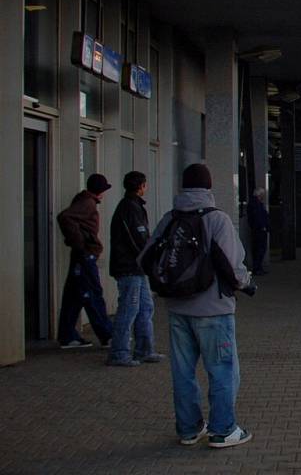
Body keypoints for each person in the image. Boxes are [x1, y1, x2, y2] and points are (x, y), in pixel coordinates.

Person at [140, 163, 253, 448]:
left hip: (178, 309)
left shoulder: (169, 219)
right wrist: (246, 283)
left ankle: (189, 429)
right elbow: (232, 265)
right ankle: (223, 430)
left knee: (182, 372)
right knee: (222, 370)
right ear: (209, 186)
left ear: (183, 186)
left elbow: (145, 258)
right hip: (213, 310)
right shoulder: (217, 220)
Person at [107, 171, 164, 367]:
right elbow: (138, 239)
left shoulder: (130, 206)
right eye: (145, 184)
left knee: (145, 308)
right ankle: (119, 353)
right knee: (128, 309)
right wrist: (150, 258)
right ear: (141, 186)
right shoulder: (131, 208)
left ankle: (144, 350)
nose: (146, 188)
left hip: (135, 268)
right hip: (129, 267)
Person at [56, 173, 114, 349]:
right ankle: (107, 335)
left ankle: (67, 335)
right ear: (100, 191)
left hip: (81, 254)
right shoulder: (88, 203)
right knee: (92, 294)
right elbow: (64, 217)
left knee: (74, 295)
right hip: (85, 255)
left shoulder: (84, 201)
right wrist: (80, 242)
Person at [246, 188, 270, 276]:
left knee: (257, 249)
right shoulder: (257, 205)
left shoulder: (253, 204)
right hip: (259, 230)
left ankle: (258, 267)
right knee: (260, 249)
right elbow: (259, 217)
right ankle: (257, 268)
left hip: (257, 229)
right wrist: (263, 226)